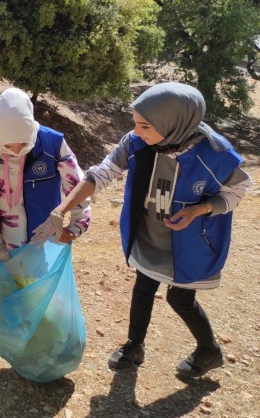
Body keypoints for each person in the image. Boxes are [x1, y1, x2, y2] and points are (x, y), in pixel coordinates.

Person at [32, 82, 252, 379]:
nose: (136, 132)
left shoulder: (213, 154)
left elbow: (239, 189)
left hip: (187, 244)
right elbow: (101, 174)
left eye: (145, 126)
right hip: (149, 235)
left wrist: (199, 210)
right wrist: (60, 210)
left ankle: (209, 350)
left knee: (180, 299)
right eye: (135, 123)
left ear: (172, 123)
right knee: (144, 286)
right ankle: (134, 346)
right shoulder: (137, 143)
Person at [0, 88, 91, 350]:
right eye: (10, 145)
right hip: (1, 235)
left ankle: (40, 335)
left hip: (40, 234)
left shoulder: (53, 144)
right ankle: (2, 333)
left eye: (23, 143)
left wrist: (77, 225)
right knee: (3, 280)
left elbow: (77, 185)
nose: (17, 149)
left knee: (39, 285)